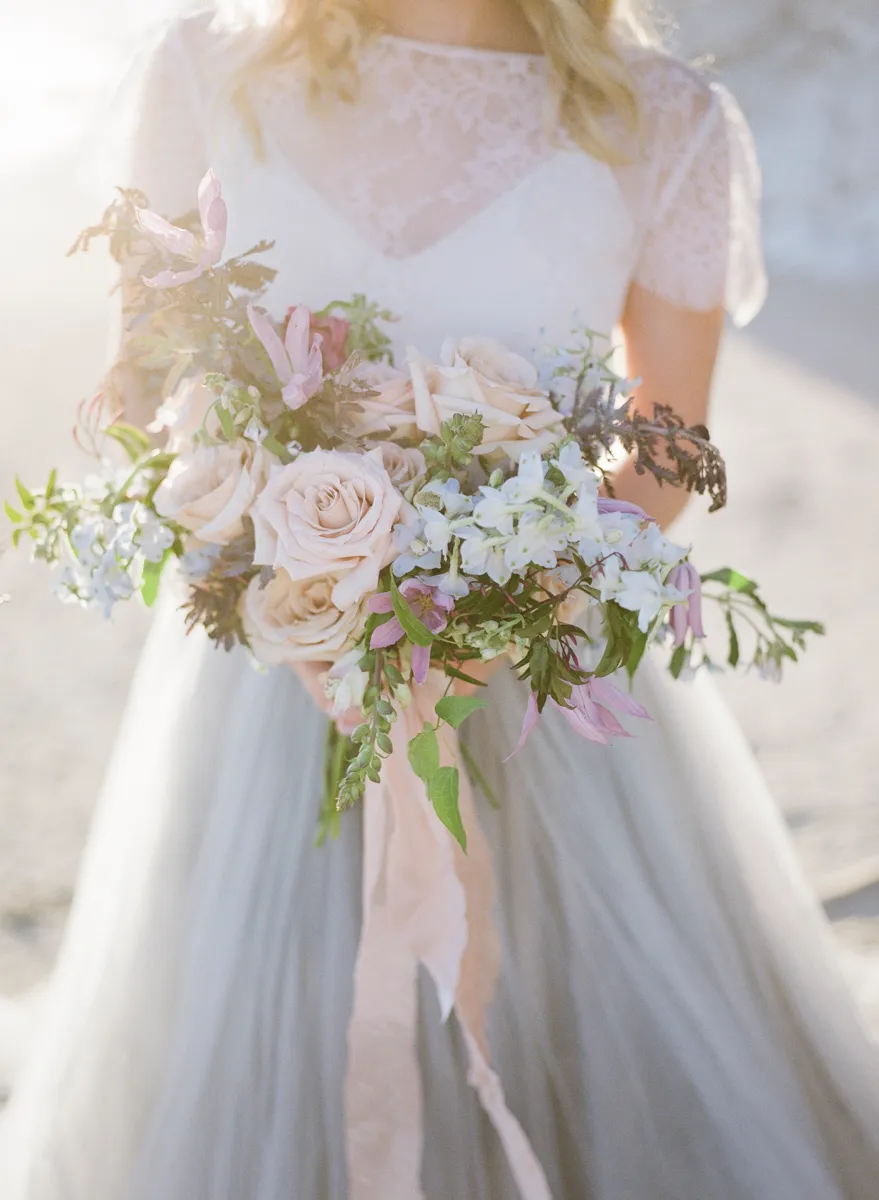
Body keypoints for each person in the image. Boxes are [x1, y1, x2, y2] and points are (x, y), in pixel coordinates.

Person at [2, 1, 878, 1197]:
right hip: (271, 681)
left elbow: (667, 439)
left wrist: (498, 615)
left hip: (540, 685)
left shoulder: (665, 117)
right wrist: (287, 562)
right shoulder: (209, 68)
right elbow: (149, 377)